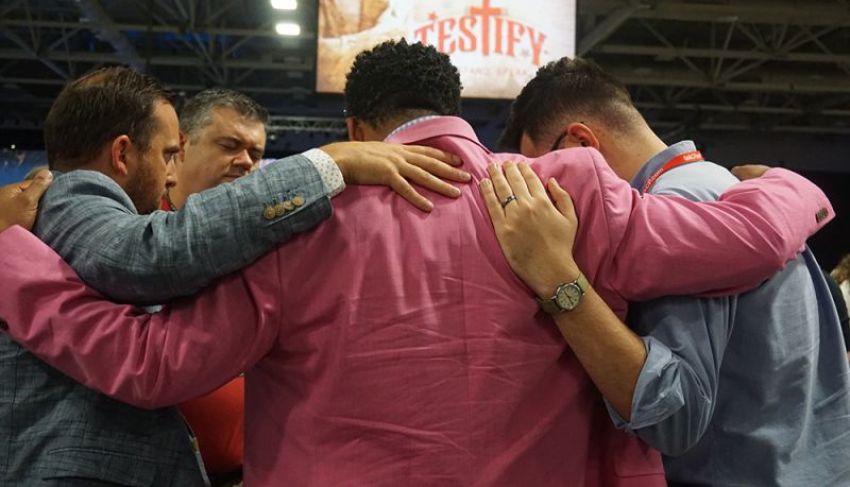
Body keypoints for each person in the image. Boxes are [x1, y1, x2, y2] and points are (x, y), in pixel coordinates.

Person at [0, 41, 834, 486]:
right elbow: (749, 243)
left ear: (359, 129)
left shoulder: (298, 222)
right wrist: (795, 185)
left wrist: (11, 254)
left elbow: (147, 363)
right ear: (458, 111)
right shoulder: (567, 190)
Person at [0, 65, 471, 486]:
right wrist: (329, 163)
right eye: (169, 153)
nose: (168, 173)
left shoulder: (230, 234)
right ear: (123, 155)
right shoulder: (71, 195)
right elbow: (151, 263)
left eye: (256, 151)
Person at [497, 56, 850, 485]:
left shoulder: (669, 209)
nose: (547, 195)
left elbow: (672, 416)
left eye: (547, 172)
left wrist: (559, 284)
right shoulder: (734, 189)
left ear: (579, 147)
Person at [163, 88, 269, 482]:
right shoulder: (134, 233)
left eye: (255, 155)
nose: (244, 161)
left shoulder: (267, 246)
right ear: (182, 145)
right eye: (230, 145)